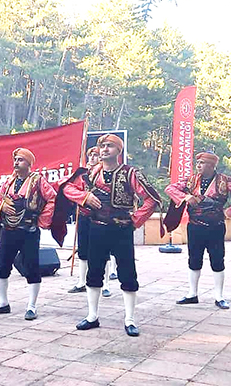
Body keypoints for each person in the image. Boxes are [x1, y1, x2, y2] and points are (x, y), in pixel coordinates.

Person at [61, 134, 161, 336]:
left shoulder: (130, 173)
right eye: (102, 146)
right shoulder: (90, 174)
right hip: (97, 228)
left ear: (119, 150)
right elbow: (66, 188)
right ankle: (92, 316)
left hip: (122, 230)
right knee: (94, 272)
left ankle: (130, 319)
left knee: (127, 273)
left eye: (109, 146)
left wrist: (135, 221)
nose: (104, 149)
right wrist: (85, 196)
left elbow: (152, 199)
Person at [165, 151, 231, 310]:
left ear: (211, 165)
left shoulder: (224, 180)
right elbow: (170, 188)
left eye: (202, 163)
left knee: (217, 260)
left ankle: (219, 296)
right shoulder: (191, 181)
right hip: (195, 226)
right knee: (194, 259)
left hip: (216, 227)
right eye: (197, 163)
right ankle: (192, 294)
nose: (198, 166)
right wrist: (185, 197)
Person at [0, 148, 56, 321]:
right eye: (15, 159)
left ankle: (31, 306)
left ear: (29, 164)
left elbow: (52, 199)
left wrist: (42, 220)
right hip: (8, 230)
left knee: (31, 268)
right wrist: (1, 207)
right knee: (1, 266)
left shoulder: (39, 181)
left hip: (29, 231)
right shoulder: (8, 181)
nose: (16, 162)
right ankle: (3, 303)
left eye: (21, 160)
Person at [67, 146, 115, 296]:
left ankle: (106, 284)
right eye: (91, 155)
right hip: (84, 215)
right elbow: (70, 189)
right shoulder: (82, 174)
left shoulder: (107, 174)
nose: (93, 158)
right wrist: (82, 197)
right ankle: (82, 281)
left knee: (104, 252)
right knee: (83, 250)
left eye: (96, 155)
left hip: (102, 218)